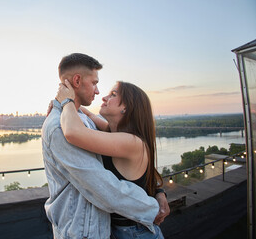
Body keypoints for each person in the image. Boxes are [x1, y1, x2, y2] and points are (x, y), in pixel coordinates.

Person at [42, 53, 169, 239]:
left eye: (113, 94)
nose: (100, 93)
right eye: (94, 83)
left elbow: (74, 132)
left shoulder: (129, 141)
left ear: (126, 108)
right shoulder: (105, 130)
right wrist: (61, 104)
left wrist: (67, 102)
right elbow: (88, 117)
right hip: (108, 230)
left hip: (136, 231)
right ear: (77, 80)